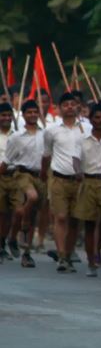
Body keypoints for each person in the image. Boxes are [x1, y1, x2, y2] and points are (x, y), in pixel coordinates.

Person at [42, 92, 85, 272]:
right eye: (65, 104)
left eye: (72, 104)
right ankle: (61, 256)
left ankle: (68, 253)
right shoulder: (51, 130)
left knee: (75, 220)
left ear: (78, 107)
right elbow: (47, 153)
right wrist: (44, 173)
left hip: (80, 181)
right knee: (60, 217)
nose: (69, 107)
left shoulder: (86, 128)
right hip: (59, 178)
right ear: (59, 108)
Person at [0, 100, 44, 268]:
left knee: (29, 215)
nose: (33, 115)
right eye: (29, 112)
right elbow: (6, 161)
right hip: (16, 176)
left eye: (35, 112)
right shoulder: (16, 137)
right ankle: (6, 240)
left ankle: (25, 251)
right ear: (24, 115)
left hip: (36, 177)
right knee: (8, 213)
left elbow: (48, 156)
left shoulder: (44, 134)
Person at [73, 105, 101, 277]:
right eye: (97, 118)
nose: (100, 121)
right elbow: (75, 159)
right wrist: (78, 173)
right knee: (89, 224)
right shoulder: (82, 139)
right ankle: (91, 262)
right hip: (88, 181)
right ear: (91, 120)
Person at [0, 103, 18, 260]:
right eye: (3, 115)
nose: (6, 118)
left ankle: (4, 241)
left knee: (12, 213)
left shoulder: (18, 135)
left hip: (14, 176)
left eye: (8, 115)